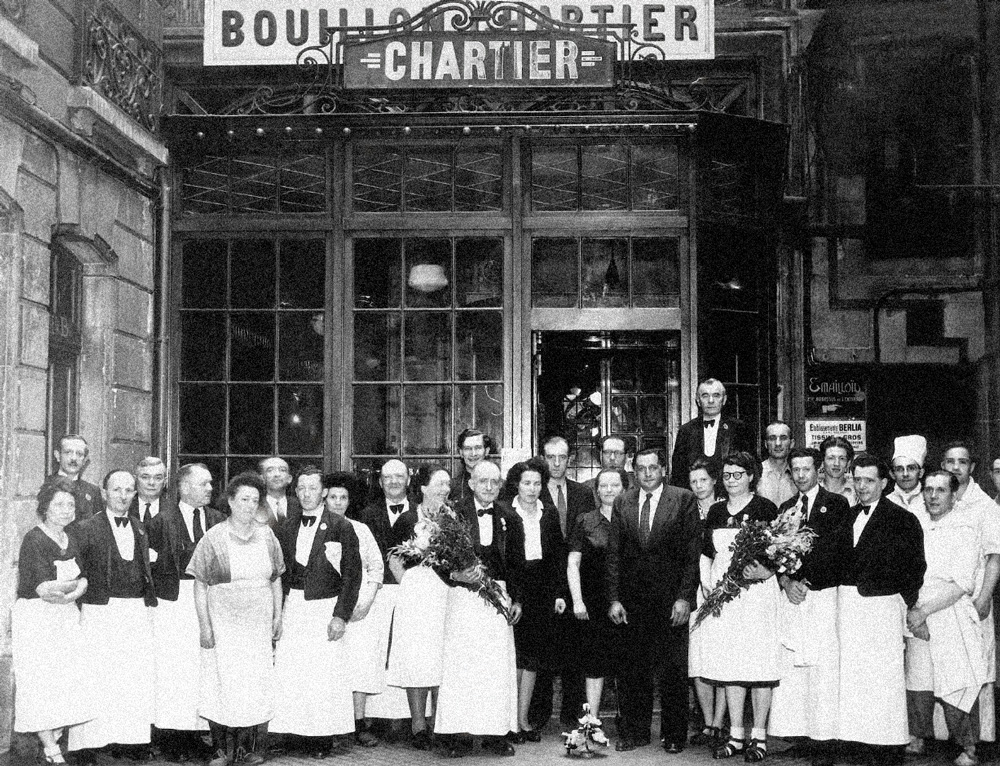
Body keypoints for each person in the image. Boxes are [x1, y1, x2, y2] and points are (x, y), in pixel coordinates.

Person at [606, 448, 701, 753]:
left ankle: (674, 734)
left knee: (673, 671)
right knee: (634, 670)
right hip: (633, 602)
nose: (647, 473)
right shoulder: (622, 501)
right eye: (641, 468)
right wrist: (614, 599)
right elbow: (614, 555)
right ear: (634, 472)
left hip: (670, 600)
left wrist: (685, 598)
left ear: (664, 469)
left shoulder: (683, 499)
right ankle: (635, 732)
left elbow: (691, 555)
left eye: (653, 468)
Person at [833, 454, 925, 765]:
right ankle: (856, 740)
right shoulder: (847, 516)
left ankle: (886, 744)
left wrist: (900, 600)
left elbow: (915, 568)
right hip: (848, 607)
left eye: (869, 480)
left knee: (883, 678)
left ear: (884, 483)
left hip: (882, 608)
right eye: (857, 479)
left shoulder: (902, 519)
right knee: (854, 676)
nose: (862, 486)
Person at [187, 472, 284, 766]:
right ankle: (220, 749)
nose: (250, 505)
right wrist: (205, 625)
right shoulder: (214, 536)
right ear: (230, 501)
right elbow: (200, 583)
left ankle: (246, 748)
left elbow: (276, 578)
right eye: (244, 499)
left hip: (257, 621)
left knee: (253, 682)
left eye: (255, 500)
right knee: (222, 680)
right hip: (224, 620)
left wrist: (277, 616)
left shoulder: (267, 535)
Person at [270, 467, 362, 756]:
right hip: (294, 605)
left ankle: (320, 737)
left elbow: (352, 575)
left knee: (323, 675)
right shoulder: (285, 527)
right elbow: (277, 573)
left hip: (325, 606)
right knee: (294, 671)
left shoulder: (340, 526)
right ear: (295, 492)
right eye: (301, 489)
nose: (307, 493)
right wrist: (277, 612)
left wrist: (340, 615)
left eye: (312, 488)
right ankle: (294, 734)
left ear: (323, 492)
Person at [768, 447, 850, 766]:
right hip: (794, 596)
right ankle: (801, 735)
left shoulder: (837, 504)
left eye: (806, 469)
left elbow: (836, 551)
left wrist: (806, 581)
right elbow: (776, 551)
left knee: (822, 667)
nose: (801, 475)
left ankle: (825, 739)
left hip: (823, 595)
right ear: (790, 473)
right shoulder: (787, 507)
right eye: (796, 470)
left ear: (818, 470)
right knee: (794, 668)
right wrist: (788, 582)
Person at [435, 460, 523, 757]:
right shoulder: (453, 514)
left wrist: (518, 600)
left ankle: (495, 733)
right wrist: (455, 575)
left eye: (495, 482)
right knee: (462, 666)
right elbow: (437, 558)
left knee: (495, 668)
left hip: (497, 600)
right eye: (483, 481)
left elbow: (518, 566)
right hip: (462, 598)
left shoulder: (511, 517)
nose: (489, 487)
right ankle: (456, 735)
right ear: (471, 483)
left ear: (500, 486)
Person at [68, 469, 156, 763]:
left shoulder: (140, 528)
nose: (123, 496)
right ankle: (88, 744)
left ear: (135, 494)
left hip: (134, 610)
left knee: (131, 676)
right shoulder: (85, 528)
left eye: (129, 490)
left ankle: (128, 739)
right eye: (116, 490)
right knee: (97, 675)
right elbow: (74, 572)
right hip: (100, 609)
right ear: (104, 494)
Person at [697, 452, 780, 762]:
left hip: (756, 597)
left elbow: (778, 551)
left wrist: (766, 571)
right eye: (728, 475)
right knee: (732, 665)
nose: (732, 480)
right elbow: (706, 552)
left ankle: (758, 736)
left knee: (758, 666)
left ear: (751, 477)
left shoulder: (765, 508)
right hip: (724, 598)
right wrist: (706, 583)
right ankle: (735, 734)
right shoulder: (717, 510)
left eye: (738, 474)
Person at [905, 471, 986, 766]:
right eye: (928, 490)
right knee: (918, 683)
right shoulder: (915, 524)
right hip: (917, 613)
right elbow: (907, 573)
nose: (933, 496)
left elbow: (961, 584)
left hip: (950, 615)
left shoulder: (964, 529)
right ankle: (917, 738)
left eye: (940, 490)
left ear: (954, 495)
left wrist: (924, 612)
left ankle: (968, 749)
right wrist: (916, 614)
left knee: (955, 686)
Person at [146, 463, 225, 761]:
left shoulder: (219, 520)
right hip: (174, 604)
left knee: (204, 670)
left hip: (209, 600)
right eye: (203, 484)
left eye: (210, 484)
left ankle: (196, 734)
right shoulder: (160, 522)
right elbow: (150, 569)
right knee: (176, 671)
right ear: (184, 487)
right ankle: (173, 738)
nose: (209, 489)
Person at [12, 478, 94, 765]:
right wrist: (75, 586)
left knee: (66, 682)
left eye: (71, 505)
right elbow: (44, 590)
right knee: (41, 683)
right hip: (38, 621)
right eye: (59, 504)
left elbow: (85, 578)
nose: (66, 510)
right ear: (45, 508)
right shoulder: (34, 539)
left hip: (66, 619)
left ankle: (53, 737)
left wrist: (76, 587)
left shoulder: (72, 538)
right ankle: (51, 749)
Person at [386, 465, 453, 749]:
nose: (445, 489)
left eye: (448, 484)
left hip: (444, 594)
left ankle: (441, 722)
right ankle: (418, 725)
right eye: (439, 484)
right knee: (417, 658)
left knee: (441, 656)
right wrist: (411, 585)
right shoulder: (407, 519)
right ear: (423, 487)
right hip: (416, 598)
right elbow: (393, 557)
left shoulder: (452, 519)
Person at [530, 436, 590, 731]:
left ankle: (572, 713)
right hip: (544, 580)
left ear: (570, 459)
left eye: (561, 457)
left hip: (577, 580)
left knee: (576, 650)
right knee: (543, 648)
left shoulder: (583, 493)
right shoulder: (532, 490)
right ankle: (538, 714)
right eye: (550, 457)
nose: (556, 463)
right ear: (543, 457)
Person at [504, 458, 565, 743]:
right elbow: (504, 560)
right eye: (526, 483)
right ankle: (507, 721)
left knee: (532, 659)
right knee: (512, 657)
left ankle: (523, 719)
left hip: (542, 591)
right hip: (515, 590)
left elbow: (557, 558)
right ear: (516, 484)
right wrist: (514, 595)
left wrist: (558, 594)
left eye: (537, 483)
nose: (532, 488)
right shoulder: (504, 512)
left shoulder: (549, 513)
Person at [943, 441, 1000, 744]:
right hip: (943, 604)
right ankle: (950, 737)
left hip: (973, 600)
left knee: (976, 670)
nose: (955, 467)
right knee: (949, 670)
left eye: (961, 462)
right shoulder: (937, 498)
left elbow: (995, 556)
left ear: (972, 467)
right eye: (950, 461)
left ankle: (978, 741)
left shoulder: (985, 506)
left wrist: (984, 597)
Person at [324, 471, 385, 747]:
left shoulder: (360, 529)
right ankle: (333, 724)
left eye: (343, 497)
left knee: (359, 664)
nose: (338, 502)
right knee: (332, 666)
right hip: (328, 607)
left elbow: (376, 566)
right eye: (333, 497)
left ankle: (359, 723)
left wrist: (368, 599)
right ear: (325, 499)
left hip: (359, 608)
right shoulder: (317, 529)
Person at [567, 468, 627, 746]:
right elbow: (573, 564)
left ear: (624, 488)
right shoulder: (585, 520)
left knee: (626, 663)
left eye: (615, 485)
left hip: (626, 602)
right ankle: (591, 723)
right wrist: (577, 600)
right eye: (603, 485)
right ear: (596, 489)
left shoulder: (632, 518)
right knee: (594, 664)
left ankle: (628, 722)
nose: (609, 490)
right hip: (592, 602)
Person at [358, 459, 416, 723]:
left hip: (411, 591)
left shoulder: (421, 513)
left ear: (409, 480)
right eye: (387, 477)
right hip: (379, 592)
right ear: (380, 482)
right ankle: (374, 716)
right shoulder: (366, 513)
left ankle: (404, 717)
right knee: (377, 650)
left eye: (399, 476)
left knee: (405, 650)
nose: (393, 482)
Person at [686, 459, 727, 748]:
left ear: (714, 481)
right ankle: (707, 721)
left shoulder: (725, 509)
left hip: (724, 589)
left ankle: (720, 722)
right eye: (693, 482)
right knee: (698, 655)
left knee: (723, 656)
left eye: (703, 480)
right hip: (695, 589)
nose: (699, 486)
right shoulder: (685, 508)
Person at [670, 379, 753, 488]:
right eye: (705, 396)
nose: (710, 400)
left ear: (724, 400)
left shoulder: (739, 428)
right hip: (695, 498)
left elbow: (751, 466)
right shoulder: (686, 431)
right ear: (698, 400)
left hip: (731, 497)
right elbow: (678, 474)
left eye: (716, 395)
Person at [47, 434, 103, 524]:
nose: (74, 458)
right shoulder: (47, 486)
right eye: (68, 452)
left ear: (84, 460)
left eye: (79, 454)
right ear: (57, 455)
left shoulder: (93, 491)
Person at [758, 421, 796, 507]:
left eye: (783, 438)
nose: (778, 443)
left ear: (792, 443)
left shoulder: (798, 473)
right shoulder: (757, 471)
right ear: (766, 444)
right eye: (772, 438)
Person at [451, 428, 494, 504]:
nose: (473, 454)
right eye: (468, 449)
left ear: (486, 451)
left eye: (478, 448)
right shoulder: (452, 487)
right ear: (461, 453)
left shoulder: (501, 487)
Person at [888, 435, 927, 515]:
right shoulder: (885, 503)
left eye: (911, 468)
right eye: (899, 469)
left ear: (921, 473)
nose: (905, 474)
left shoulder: (930, 500)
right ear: (892, 474)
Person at [257, 457, 299, 528]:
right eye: (270, 470)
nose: (277, 474)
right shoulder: (256, 505)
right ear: (262, 478)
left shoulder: (300, 506)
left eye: (282, 470)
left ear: (289, 478)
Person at [819, 436, 857, 507]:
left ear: (848, 463)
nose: (836, 463)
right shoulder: (814, 492)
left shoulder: (857, 492)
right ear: (822, 462)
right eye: (831, 458)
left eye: (842, 458)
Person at [130, 457, 167, 523]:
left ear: (165, 482)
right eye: (145, 477)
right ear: (135, 480)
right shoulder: (125, 507)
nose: (151, 483)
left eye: (158, 478)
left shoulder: (174, 511)